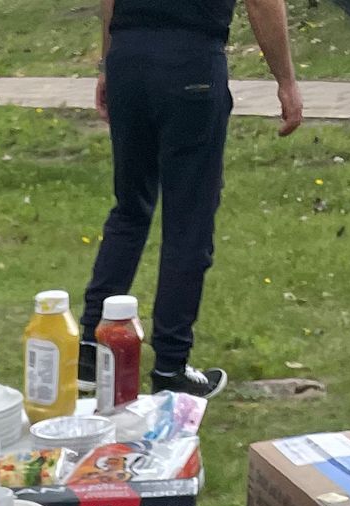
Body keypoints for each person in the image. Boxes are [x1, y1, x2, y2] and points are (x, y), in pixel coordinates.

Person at [78, 0, 304, 402]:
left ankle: (90, 355)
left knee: (130, 208)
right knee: (188, 221)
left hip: (129, 55)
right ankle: (170, 366)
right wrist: (285, 80)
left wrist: (108, 63)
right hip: (189, 61)